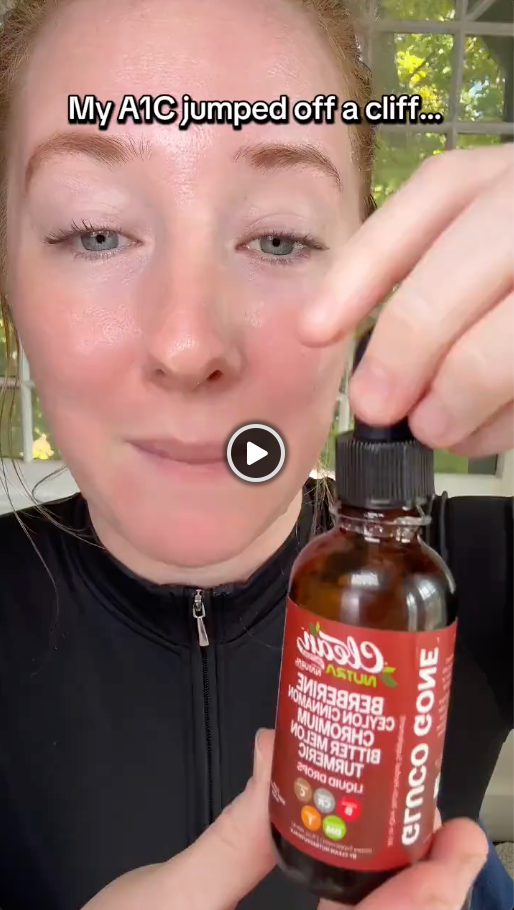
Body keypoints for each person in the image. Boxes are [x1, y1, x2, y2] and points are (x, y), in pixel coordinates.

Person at [0, 0, 511, 908]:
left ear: (373, 274)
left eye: (279, 238)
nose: (188, 343)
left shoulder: (468, 573)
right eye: (95, 231)